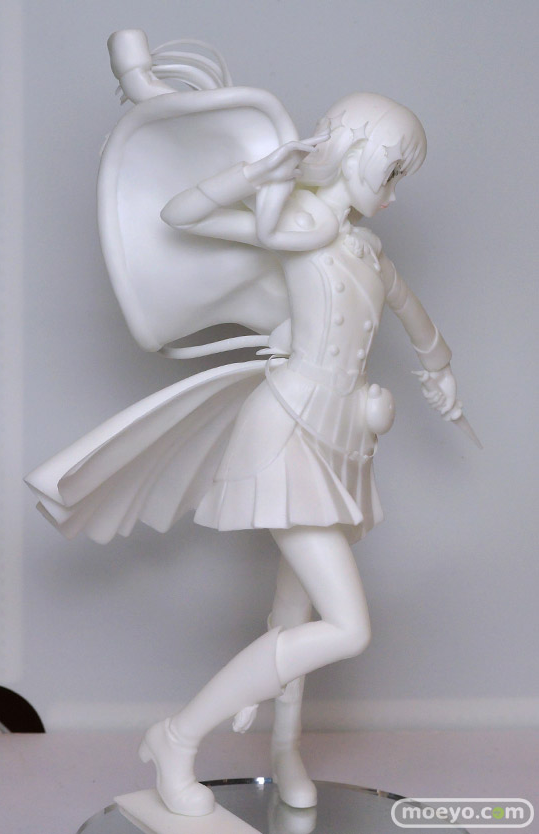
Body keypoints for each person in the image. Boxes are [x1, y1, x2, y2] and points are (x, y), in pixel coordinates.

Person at [26, 32, 462, 818]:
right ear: (354, 149)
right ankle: (178, 737)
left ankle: (285, 750)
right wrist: (259, 175)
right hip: (288, 429)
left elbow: (410, 311)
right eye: (391, 170)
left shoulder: (366, 250)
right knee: (347, 626)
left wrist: (440, 369)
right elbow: (181, 212)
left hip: (345, 439)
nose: (395, 193)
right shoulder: (295, 225)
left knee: (295, 612)